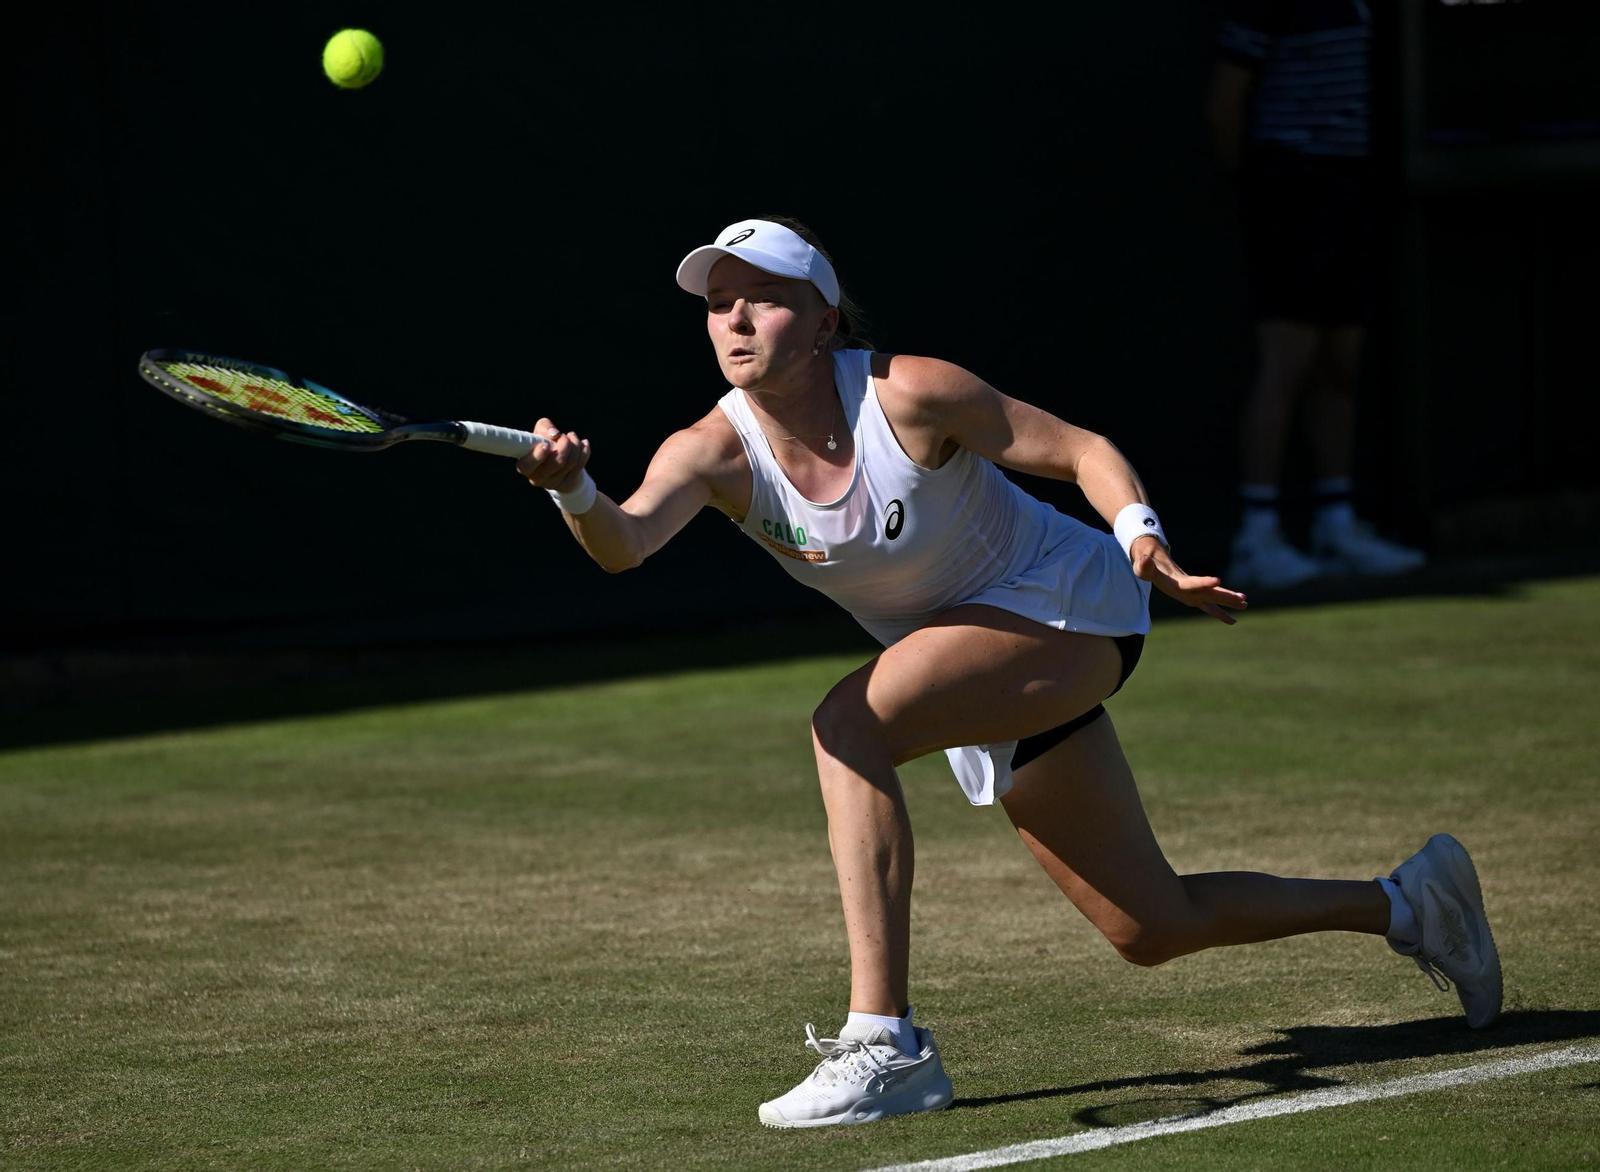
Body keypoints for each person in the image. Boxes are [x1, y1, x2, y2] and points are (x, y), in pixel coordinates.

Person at [515, 217, 1500, 1128]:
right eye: (716, 300)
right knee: (1151, 924)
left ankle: (883, 1036)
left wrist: (1141, 536)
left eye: (762, 295)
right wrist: (575, 490)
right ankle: (1408, 900)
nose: (732, 315)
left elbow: (1080, 450)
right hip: (980, 668)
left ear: (820, 323)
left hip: (1068, 607)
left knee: (846, 722)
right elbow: (625, 544)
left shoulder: (908, 392)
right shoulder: (711, 450)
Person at [1208, 0, 1427, 589]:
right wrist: (1265, 189)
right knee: (1288, 359)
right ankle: (1257, 536)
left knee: (1340, 362)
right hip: (1292, 185)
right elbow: (1227, 100)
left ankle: (1336, 523)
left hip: (1349, 182)